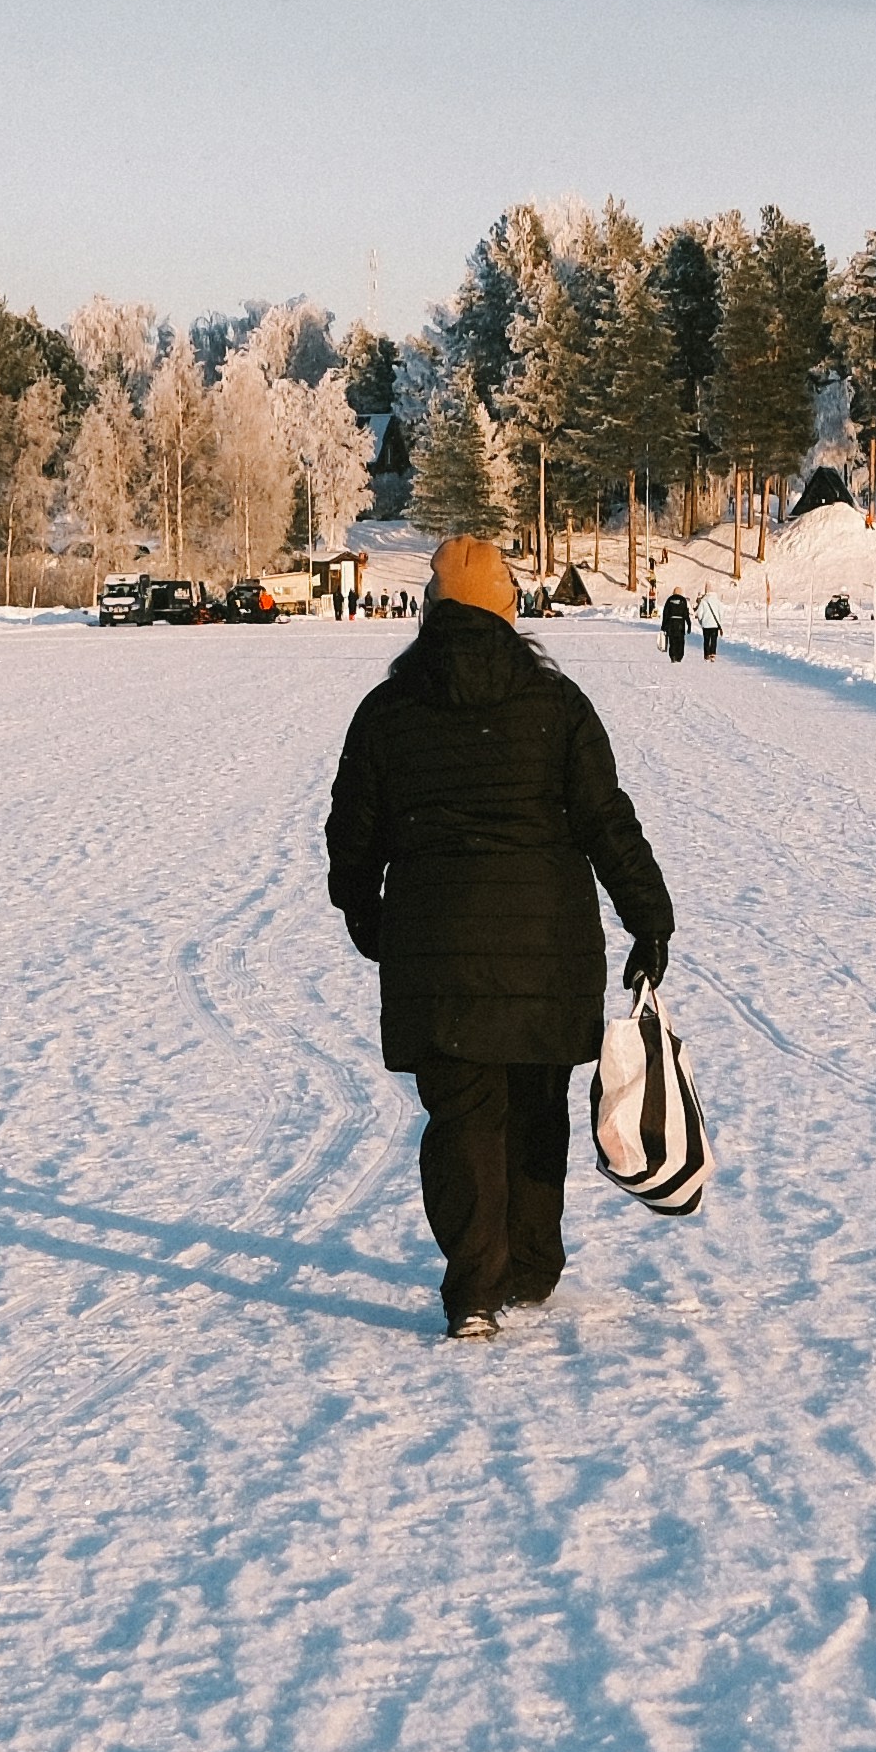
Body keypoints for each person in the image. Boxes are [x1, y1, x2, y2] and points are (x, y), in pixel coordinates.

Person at [326, 534, 670, 1343]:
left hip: (437, 947)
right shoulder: (555, 705)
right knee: (535, 1105)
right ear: (510, 612)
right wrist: (648, 917)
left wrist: (361, 908)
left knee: (464, 1115)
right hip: (546, 947)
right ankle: (531, 1265)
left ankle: (474, 1290)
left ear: (431, 611)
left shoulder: (389, 710)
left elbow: (352, 829)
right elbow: (603, 818)